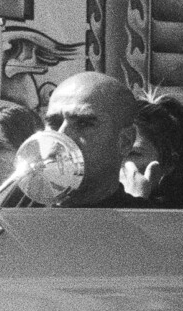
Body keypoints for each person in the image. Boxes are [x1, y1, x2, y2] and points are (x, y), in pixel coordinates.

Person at [39, 71, 149, 208]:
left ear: (125, 141)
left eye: (83, 124)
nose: (61, 136)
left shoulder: (155, 225)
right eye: (54, 123)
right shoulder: (11, 217)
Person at [122, 93, 183, 209]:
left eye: (133, 153)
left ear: (169, 163)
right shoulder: (98, 197)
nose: (117, 161)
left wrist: (136, 201)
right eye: (113, 149)